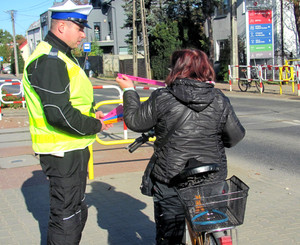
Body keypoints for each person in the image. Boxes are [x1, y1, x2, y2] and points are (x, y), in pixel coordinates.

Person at [116, 49, 245, 245]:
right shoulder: (218, 98)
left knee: (170, 237)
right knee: (216, 218)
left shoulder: (162, 97)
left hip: (171, 179)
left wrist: (129, 90)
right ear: (206, 69)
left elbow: (134, 121)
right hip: (212, 177)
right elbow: (235, 137)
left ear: (176, 70)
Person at [22, 0, 112, 244]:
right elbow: (58, 114)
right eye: (79, 28)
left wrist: (93, 116)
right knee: (66, 218)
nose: (83, 34)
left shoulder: (62, 57)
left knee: (73, 213)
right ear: (61, 27)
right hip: (62, 151)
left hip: (71, 148)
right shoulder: (50, 61)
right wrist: (95, 126)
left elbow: (73, 102)